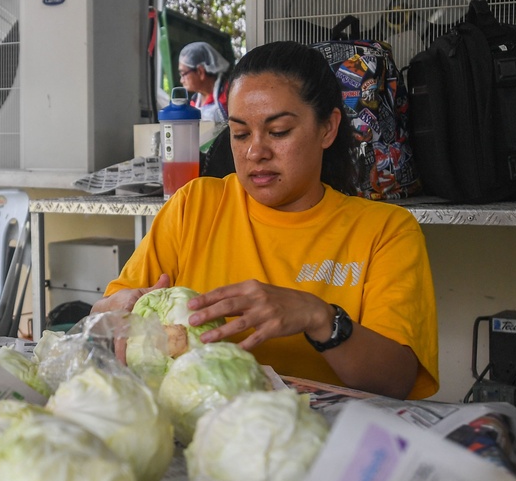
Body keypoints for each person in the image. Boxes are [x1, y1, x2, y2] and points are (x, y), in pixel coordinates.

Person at [93, 41, 439, 401]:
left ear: (328, 128)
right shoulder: (194, 206)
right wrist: (124, 311)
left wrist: (319, 318)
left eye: (278, 132)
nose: (255, 152)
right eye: (240, 134)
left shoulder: (385, 231)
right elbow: (103, 313)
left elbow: (396, 380)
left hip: (320, 438)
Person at [178, 42, 232, 122]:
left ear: (200, 72)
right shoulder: (194, 101)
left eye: (183, 74)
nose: (181, 80)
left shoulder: (229, 94)